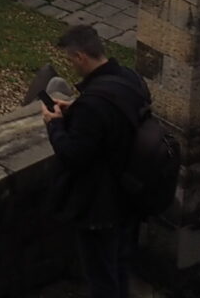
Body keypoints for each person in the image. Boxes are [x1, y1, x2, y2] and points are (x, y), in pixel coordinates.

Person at [42, 23, 149, 298]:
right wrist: (77, 109)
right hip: (131, 192)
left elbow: (73, 155)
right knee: (121, 266)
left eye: (70, 59)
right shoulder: (130, 79)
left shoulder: (94, 104)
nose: (71, 65)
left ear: (80, 57)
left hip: (100, 205)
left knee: (101, 277)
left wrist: (54, 125)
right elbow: (113, 125)